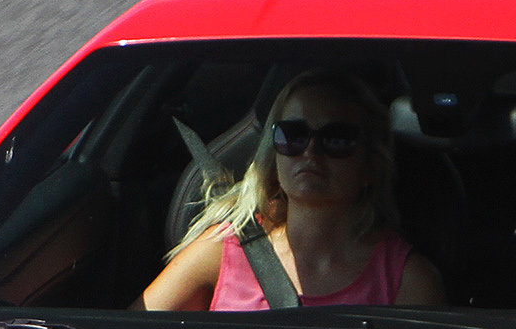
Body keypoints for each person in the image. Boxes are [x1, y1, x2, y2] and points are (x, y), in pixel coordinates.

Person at [143, 70, 446, 311]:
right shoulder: (223, 252)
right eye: (293, 136)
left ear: (370, 166)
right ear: (273, 155)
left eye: (337, 140)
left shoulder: (405, 278)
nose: (310, 153)